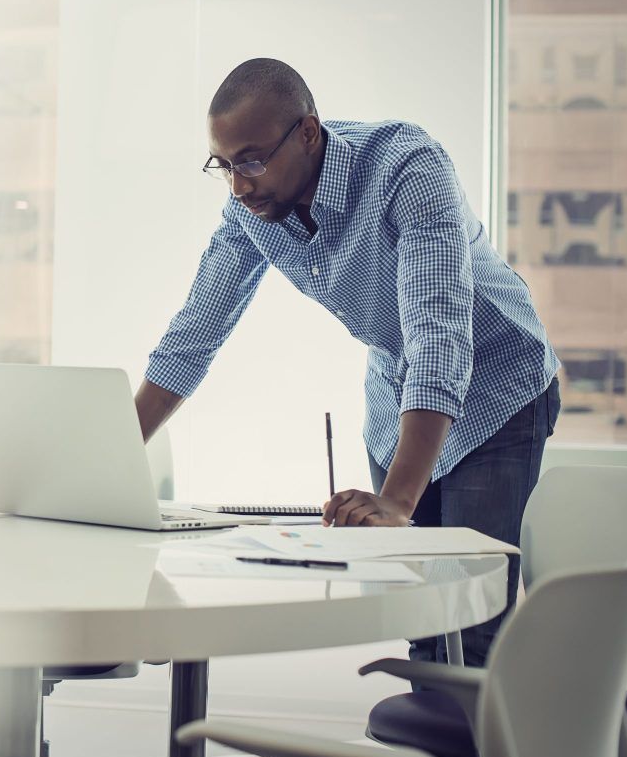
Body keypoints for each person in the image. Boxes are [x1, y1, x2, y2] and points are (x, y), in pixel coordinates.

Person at [134, 58, 559, 668]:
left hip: (497, 386)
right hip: (399, 401)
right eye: (224, 166)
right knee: (420, 617)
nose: (238, 185)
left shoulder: (407, 167)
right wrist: (115, 472)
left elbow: (438, 337)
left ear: (307, 132)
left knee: (475, 624)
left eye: (251, 159)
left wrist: (398, 502)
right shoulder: (252, 214)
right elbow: (193, 336)